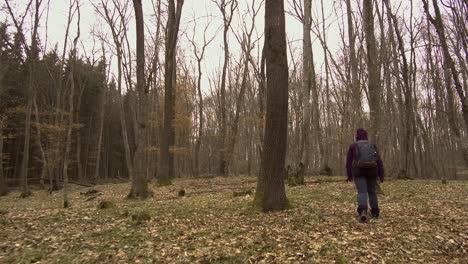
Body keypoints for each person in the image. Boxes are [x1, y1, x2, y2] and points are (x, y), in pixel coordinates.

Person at [346, 128, 384, 222]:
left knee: (362, 192)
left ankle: (363, 211)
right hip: (372, 171)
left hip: (358, 171)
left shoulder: (353, 146)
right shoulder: (372, 145)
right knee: (372, 191)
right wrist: (381, 174)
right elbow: (378, 161)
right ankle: (375, 211)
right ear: (366, 136)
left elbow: (349, 162)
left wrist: (349, 175)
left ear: (357, 136)